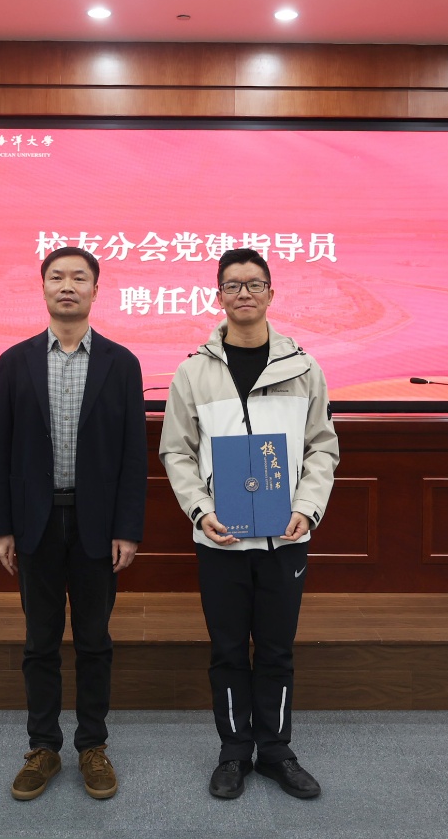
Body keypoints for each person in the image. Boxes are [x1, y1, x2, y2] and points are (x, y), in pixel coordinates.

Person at [159, 247, 339, 800]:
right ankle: (235, 751)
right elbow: (177, 452)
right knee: (229, 650)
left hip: (286, 536)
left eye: (254, 284)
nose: (244, 293)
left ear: (270, 293)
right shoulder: (193, 372)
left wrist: (306, 507)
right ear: (218, 295)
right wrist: (201, 509)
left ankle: (277, 751)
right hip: (220, 538)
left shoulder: (303, 368)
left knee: (277, 650)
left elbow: (322, 448)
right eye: (233, 285)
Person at [0, 246, 147, 801]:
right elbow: (1, 449)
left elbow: (133, 455)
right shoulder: (16, 361)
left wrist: (128, 528)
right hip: (35, 522)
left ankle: (92, 745)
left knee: (95, 639)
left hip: (97, 525)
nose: (68, 286)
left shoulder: (121, 364)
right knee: (40, 640)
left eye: (80, 277)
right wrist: (2, 526)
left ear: (96, 291)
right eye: (57, 276)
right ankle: (44, 747)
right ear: (43, 288)